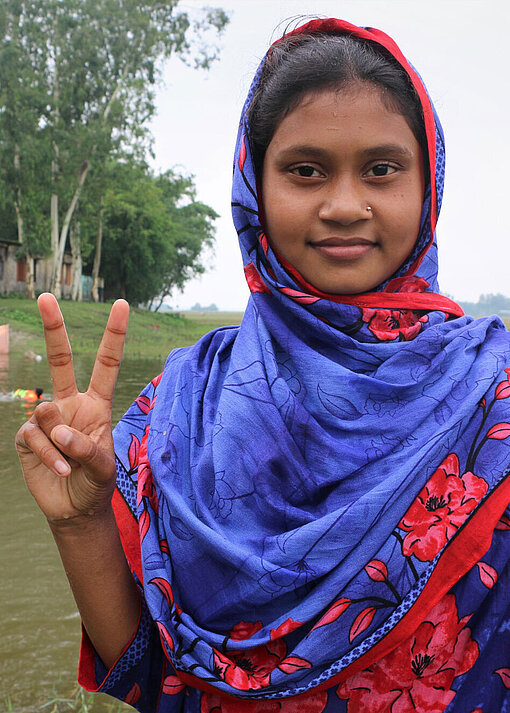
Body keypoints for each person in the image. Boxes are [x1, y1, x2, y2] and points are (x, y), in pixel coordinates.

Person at [15, 17, 510, 713]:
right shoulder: (184, 400)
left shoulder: (495, 395)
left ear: (428, 187)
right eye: (305, 170)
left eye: (381, 169)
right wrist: (79, 521)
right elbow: (147, 673)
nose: (344, 205)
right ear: (255, 186)